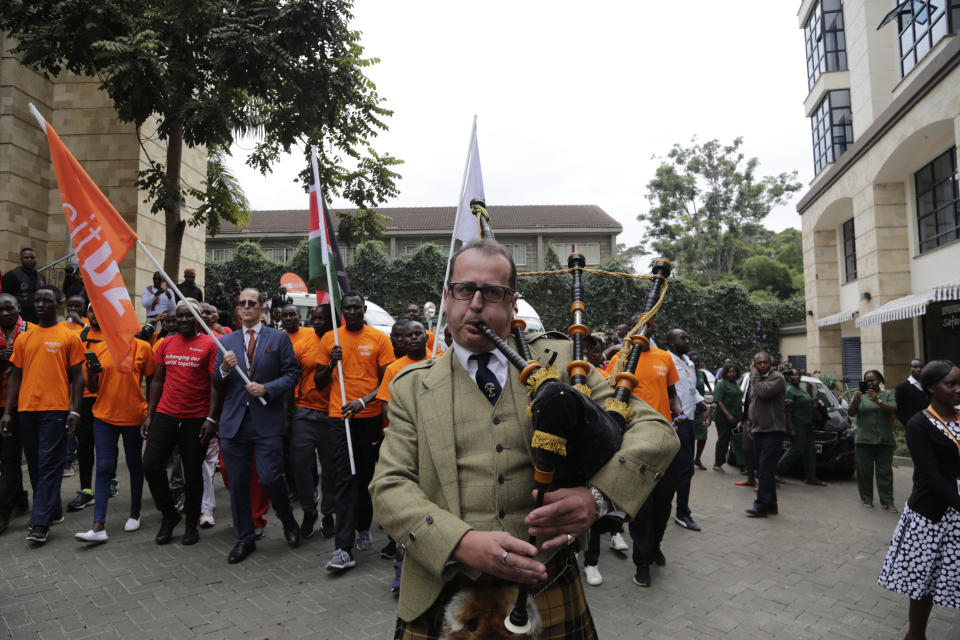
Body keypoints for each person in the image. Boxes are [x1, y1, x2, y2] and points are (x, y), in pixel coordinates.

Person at [370, 239, 679, 637]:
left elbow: (655, 431)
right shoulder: (411, 386)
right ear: (447, 297)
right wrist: (460, 543)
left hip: (547, 582)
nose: (476, 304)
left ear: (513, 303)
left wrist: (599, 497)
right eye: (465, 290)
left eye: (493, 293)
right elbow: (389, 486)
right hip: (442, 587)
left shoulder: (566, 362)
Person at [213, 288, 302, 564]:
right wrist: (225, 370)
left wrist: (267, 388)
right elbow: (217, 383)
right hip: (234, 425)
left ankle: (287, 521)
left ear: (262, 309)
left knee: (270, 477)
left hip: (266, 423)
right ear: (237, 310)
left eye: (252, 303)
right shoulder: (225, 341)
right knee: (238, 483)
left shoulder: (279, 338)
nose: (247, 307)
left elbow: (292, 374)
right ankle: (245, 537)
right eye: (242, 304)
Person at [878, 360, 960, 640]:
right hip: (932, 513)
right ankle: (916, 635)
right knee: (923, 580)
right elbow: (932, 476)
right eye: (951, 384)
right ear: (930, 388)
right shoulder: (919, 424)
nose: (958, 390)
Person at [316, 291, 393, 571]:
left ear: (364, 310)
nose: (352, 312)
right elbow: (319, 381)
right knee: (344, 478)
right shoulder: (330, 339)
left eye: (357, 307)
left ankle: (363, 525)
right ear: (342, 311)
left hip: (369, 417)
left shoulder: (378, 339)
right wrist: (331, 363)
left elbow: (387, 382)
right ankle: (343, 548)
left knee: (365, 476)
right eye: (347, 308)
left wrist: (364, 401)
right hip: (340, 418)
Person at [600, 325, 683, 588]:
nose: (643, 333)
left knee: (664, 504)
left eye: (649, 328)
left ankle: (655, 545)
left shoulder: (664, 358)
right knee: (642, 508)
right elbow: (607, 393)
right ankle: (642, 563)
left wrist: (680, 411)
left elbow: (671, 393)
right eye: (640, 328)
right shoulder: (620, 359)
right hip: (634, 443)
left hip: (664, 441)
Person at [0, 286, 83, 544]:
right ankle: (53, 509)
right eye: (36, 300)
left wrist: (75, 409)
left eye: (46, 300)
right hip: (26, 410)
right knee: (35, 464)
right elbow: (15, 376)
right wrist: (7, 412)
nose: (39, 304)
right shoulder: (25, 338)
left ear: (58, 304)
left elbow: (78, 377)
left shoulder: (69, 336)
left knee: (48, 463)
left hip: (56, 409)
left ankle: (39, 523)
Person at [74, 306, 155, 543]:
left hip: (133, 416)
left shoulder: (143, 347)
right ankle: (98, 526)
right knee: (104, 467)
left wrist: (150, 413)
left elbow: (153, 381)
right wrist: (93, 372)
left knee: (133, 464)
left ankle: (135, 513)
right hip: (103, 416)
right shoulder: (100, 348)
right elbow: (93, 387)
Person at [142, 300, 218, 547]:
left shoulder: (210, 345)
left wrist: (211, 418)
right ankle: (169, 515)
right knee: (151, 464)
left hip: (196, 418)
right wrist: (150, 414)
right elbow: (156, 380)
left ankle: (191, 523)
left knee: (193, 473)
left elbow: (216, 385)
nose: (184, 320)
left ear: (198, 318)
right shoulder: (166, 343)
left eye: (189, 315)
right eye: (180, 316)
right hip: (166, 413)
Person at [375, 319, 430, 588]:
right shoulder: (394, 369)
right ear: (402, 341)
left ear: (426, 337)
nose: (415, 338)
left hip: (433, 446)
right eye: (409, 335)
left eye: (419, 333)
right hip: (406, 446)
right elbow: (386, 408)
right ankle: (401, 572)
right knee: (406, 508)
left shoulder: (440, 362)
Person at [286, 305, 335, 540]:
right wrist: (289, 412)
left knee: (330, 469)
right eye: (313, 318)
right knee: (301, 466)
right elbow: (291, 377)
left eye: (321, 318)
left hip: (331, 414)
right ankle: (309, 511)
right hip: (304, 412)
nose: (316, 322)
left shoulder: (339, 342)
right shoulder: (302, 345)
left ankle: (328, 514)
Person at [666, 329, 705, 531]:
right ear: (671, 342)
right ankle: (682, 513)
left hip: (689, 422)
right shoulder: (666, 359)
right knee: (684, 469)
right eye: (683, 338)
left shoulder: (688, 362)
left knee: (683, 469)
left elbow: (690, 389)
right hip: (676, 422)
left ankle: (680, 510)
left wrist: (702, 403)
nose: (687, 340)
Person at [743, 352, 787, 518]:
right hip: (759, 429)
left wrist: (753, 376)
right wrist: (751, 425)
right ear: (754, 363)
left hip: (772, 430)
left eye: (765, 362)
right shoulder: (758, 379)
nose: (762, 365)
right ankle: (771, 505)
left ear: (771, 363)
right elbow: (753, 403)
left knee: (765, 471)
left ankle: (760, 506)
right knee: (764, 469)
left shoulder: (777, 378)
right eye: (759, 363)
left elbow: (762, 393)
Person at [0, 293, 30, 534]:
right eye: (0, 310)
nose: (4, 314)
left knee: (10, 457)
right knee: (8, 458)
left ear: (18, 308)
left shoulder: (30, 331)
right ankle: (19, 499)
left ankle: (3, 511)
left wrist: (15, 359)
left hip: (21, 404)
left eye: (9, 309)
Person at [848, 369, 898, 510]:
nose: (870, 383)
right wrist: (855, 400)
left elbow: (892, 409)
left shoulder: (887, 394)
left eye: (873, 380)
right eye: (867, 380)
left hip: (884, 440)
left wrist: (877, 400)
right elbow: (851, 413)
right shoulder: (859, 395)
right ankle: (867, 498)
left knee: (885, 472)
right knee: (864, 471)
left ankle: (887, 500)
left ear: (880, 381)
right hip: (864, 440)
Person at [777, 369, 827, 487]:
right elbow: (788, 412)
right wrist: (791, 429)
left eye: (799, 375)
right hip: (798, 425)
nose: (797, 377)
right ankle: (776, 470)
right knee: (796, 450)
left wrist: (813, 404)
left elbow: (803, 403)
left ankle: (811, 477)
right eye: (794, 375)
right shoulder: (789, 390)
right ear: (789, 377)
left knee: (810, 452)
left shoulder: (800, 389)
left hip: (808, 425)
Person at [1, 248, 45, 323]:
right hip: (19, 316)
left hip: (36, 316)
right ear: (21, 260)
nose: (29, 259)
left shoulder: (41, 277)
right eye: (26, 257)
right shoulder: (11, 275)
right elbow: (4, 295)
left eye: (32, 257)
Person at [712, 363, 742, 472]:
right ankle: (717, 464)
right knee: (723, 440)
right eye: (729, 372)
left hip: (736, 417)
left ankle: (741, 464)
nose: (732, 374)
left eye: (734, 371)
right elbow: (718, 400)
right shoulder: (722, 383)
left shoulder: (735, 384)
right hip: (723, 417)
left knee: (738, 440)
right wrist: (728, 415)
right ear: (725, 373)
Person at [689, 352, 713, 471]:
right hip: (689, 409)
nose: (696, 364)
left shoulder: (701, 374)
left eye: (698, 361)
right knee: (690, 437)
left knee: (703, 436)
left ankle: (697, 459)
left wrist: (711, 391)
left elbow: (706, 385)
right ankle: (688, 460)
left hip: (701, 409)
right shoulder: (686, 373)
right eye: (694, 361)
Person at [895, 359, 927, 427]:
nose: (918, 369)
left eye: (921, 367)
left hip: (929, 424)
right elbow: (898, 409)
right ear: (910, 369)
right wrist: (908, 423)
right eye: (915, 367)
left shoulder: (928, 385)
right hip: (913, 426)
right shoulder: (902, 387)